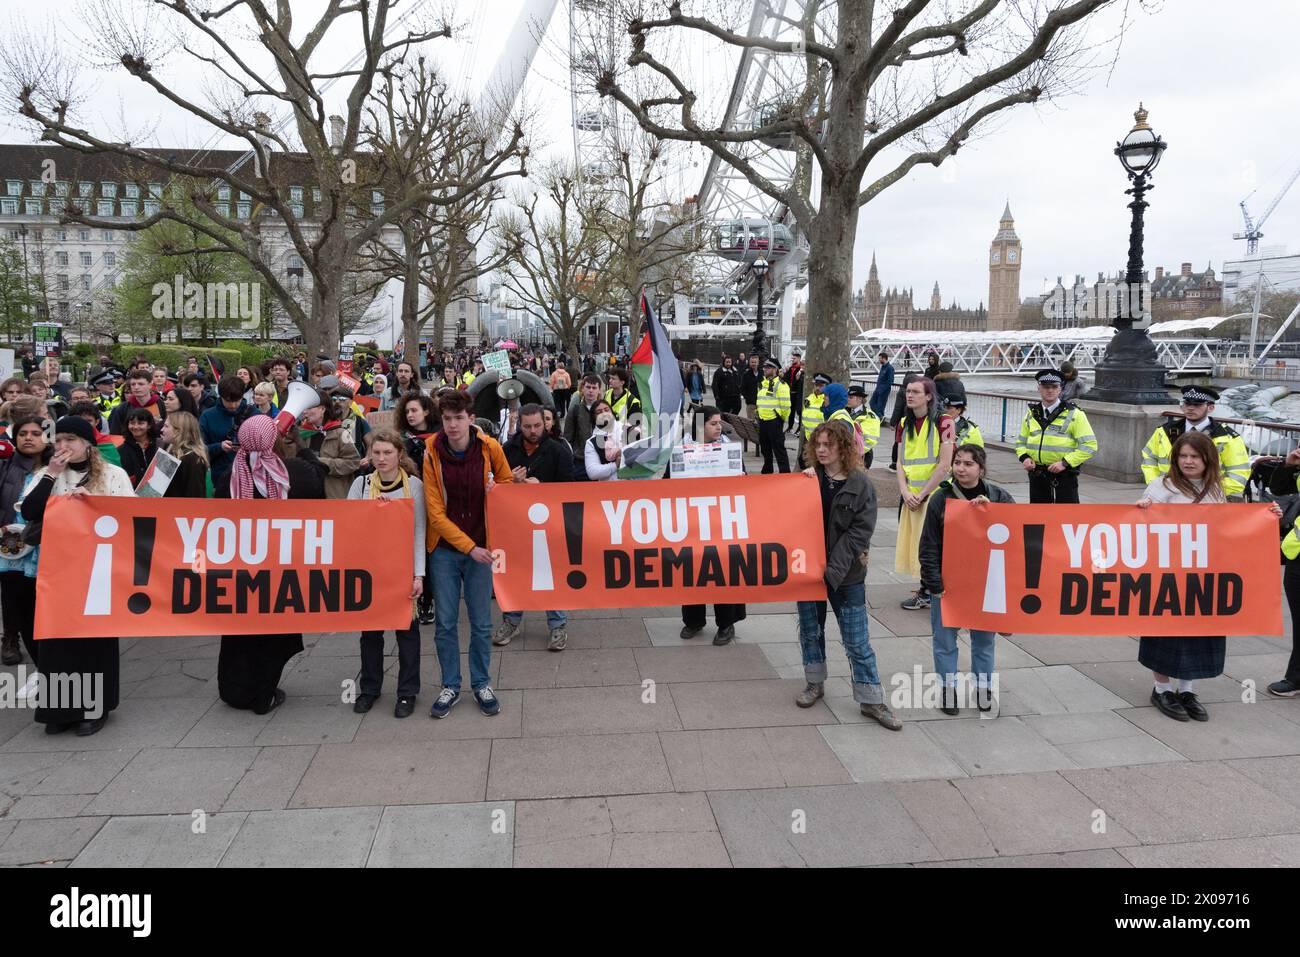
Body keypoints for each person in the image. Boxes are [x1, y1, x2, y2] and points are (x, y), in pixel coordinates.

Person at [1136, 431, 1267, 722]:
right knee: (1165, 633)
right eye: (1183, 456)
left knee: (1197, 631)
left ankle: (1187, 690)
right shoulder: (1161, 486)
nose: (1188, 461)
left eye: (1194, 456)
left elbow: (1228, 529)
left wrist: (1269, 515)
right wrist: (1142, 509)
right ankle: (1162, 689)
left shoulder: (1216, 490)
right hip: (1168, 575)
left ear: (1208, 460)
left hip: (1203, 576)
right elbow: (1139, 530)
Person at [19, 416, 135, 735]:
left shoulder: (113, 475)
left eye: (70, 439)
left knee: (93, 641)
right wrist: (52, 476)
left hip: (97, 571)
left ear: (87, 443)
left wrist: (93, 507)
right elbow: (29, 511)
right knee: (57, 641)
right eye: (58, 440)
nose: (62, 446)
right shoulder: (49, 473)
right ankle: (61, 708)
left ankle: (94, 707)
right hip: (58, 571)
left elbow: (131, 519)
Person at [794, 420, 900, 729]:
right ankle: (814, 683)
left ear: (844, 447)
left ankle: (871, 699)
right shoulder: (808, 481)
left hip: (846, 575)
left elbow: (859, 534)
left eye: (829, 444)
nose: (822, 450)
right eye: (818, 445)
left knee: (857, 640)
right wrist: (800, 485)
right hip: (809, 572)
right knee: (810, 631)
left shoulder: (861, 484)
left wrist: (832, 570)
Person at [423, 389, 512, 719]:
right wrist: (469, 548)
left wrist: (498, 489)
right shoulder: (431, 451)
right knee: (445, 623)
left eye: (459, 418)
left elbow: (505, 484)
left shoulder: (489, 447)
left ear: (471, 419)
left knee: (481, 623)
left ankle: (481, 682)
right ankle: (450, 684)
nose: (453, 425)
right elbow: (435, 513)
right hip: (447, 551)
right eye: (447, 419)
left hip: (483, 548)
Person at [217, 416, 313, 716]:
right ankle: (263, 692)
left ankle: (237, 689)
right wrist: (302, 447)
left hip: (241, 574)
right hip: (282, 573)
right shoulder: (295, 473)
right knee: (272, 635)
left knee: (241, 635)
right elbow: (317, 483)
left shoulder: (229, 480)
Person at [918, 444, 1015, 714]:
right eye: (958, 462)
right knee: (945, 641)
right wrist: (933, 583)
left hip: (985, 585)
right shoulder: (941, 498)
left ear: (980, 469)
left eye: (968, 464)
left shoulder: (999, 496)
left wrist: (992, 511)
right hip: (949, 585)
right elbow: (929, 544)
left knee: (984, 642)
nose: (961, 468)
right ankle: (948, 690)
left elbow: (1015, 534)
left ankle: (983, 689)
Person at [348, 430, 426, 718]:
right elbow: (349, 526)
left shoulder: (413, 486)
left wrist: (419, 575)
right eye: (376, 453)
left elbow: (419, 530)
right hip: (370, 571)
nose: (381, 458)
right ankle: (370, 689)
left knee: (407, 634)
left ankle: (407, 692)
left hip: (402, 570)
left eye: (387, 453)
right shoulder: (361, 484)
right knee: (370, 634)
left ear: (399, 455)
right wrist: (373, 512)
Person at [495, 403, 573, 652]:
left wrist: (542, 488)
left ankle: (558, 625)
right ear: (520, 426)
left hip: (550, 525)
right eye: (527, 426)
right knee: (518, 573)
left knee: (552, 574)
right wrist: (510, 482)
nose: (533, 430)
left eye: (537, 425)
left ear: (545, 423)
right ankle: (512, 621)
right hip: (517, 525)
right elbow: (495, 487)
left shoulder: (558, 451)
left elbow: (570, 489)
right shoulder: (507, 450)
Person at [678, 407, 747, 645]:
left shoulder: (728, 448)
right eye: (713, 423)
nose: (719, 427)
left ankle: (726, 624)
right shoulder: (681, 449)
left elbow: (743, 480)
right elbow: (669, 485)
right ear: (699, 426)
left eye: (720, 423)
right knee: (693, 570)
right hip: (692, 522)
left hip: (722, 521)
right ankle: (694, 620)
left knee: (723, 572)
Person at [897, 377, 956, 611]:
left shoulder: (945, 421)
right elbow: (900, 462)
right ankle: (927, 588)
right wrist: (905, 492)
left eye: (915, 392)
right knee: (918, 543)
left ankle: (931, 590)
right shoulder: (904, 422)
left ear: (929, 396)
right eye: (907, 391)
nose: (909, 395)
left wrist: (921, 494)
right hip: (912, 494)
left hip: (935, 494)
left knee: (932, 544)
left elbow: (945, 464)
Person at [0, 414, 50, 665]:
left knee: (40, 603)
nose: (28, 438)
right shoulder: (6, 466)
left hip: (45, 547)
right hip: (10, 546)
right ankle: (11, 637)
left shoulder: (57, 468)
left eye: (35, 433)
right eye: (22, 434)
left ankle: (51, 656)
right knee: (13, 598)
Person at [1141, 385, 1249, 500]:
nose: (1190, 408)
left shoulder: (1227, 437)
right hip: (1168, 495)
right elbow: (1149, 460)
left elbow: (1238, 475)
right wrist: (1158, 486)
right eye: (1187, 404)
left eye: (1197, 405)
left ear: (1210, 408)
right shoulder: (1164, 431)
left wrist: (1207, 491)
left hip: (1208, 498)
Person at [1016, 368, 1099, 504]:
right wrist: (1024, 458)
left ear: (1060, 389)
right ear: (1039, 388)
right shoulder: (1031, 414)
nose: (1050, 390)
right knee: (1038, 519)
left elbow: (1090, 445)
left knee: (1066, 519)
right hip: (1037, 475)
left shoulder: (1075, 414)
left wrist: (1065, 463)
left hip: (1064, 476)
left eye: (1054, 387)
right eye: (1045, 387)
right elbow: (1021, 443)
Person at [199, 374, 254, 497]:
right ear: (221, 396)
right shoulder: (208, 416)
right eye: (228, 401)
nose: (233, 405)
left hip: (251, 478)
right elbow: (199, 449)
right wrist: (219, 447)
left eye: (237, 400)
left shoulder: (253, 414)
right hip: (219, 479)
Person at [564, 373, 604, 481]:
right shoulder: (575, 410)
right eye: (588, 387)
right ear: (583, 388)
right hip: (580, 461)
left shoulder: (605, 410)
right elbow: (567, 438)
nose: (591, 391)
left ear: (599, 390)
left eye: (594, 388)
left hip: (601, 461)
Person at [159, 411, 210, 498]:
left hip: (180, 510)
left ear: (178, 431)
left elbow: (194, 494)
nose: (162, 429)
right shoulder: (171, 450)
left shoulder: (192, 458)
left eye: (166, 426)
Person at [756, 357, 791, 474]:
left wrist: (781, 419)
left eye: (768, 367)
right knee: (765, 450)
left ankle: (785, 474)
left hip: (774, 422)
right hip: (763, 421)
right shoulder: (763, 384)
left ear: (775, 369)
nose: (764, 369)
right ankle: (767, 471)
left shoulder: (781, 385)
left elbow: (786, 406)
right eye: (764, 367)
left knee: (779, 451)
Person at [108, 369, 162, 434]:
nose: (136, 387)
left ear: (150, 385)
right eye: (133, 384)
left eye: (140, 384)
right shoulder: (122, 409)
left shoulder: (160, 403)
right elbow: (115, 434)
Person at [117, 407, 160, 488]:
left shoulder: (160, 445)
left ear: (149, 425)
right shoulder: (121, 450)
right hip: (133, 495)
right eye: (132, 423)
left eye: (140, 423)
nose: (136, 427)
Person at [584, 400, 623, 482]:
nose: (604, 413)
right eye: (599, 412)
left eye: (606, 409)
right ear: (593, 417)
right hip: (608, 490)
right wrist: (615, 465)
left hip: (633, 485)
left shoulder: (627, 429)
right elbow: (592, 472)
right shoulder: (591, 442)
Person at [845, 384, 881, 467]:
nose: (847, 400)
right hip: (845, 455)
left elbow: (869, 440)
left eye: (850, 397)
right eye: (847, 397)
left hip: (861, 456)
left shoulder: (870, 416)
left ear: (860, 399)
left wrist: (852, 453)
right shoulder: (844, 411)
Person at [870, 352, 894, 419]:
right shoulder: (883, 367)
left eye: (880, 358)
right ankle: (880, 417)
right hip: (877, 389)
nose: (879, 360)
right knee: (871, 403)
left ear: (884, 358)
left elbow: (890, 381)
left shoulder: (890, 368)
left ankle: (880, 418)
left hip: (884, 391)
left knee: (880, 406)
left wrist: (882, 389)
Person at [785, 352, 805, 435]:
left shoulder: (800, 369)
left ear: (799, 359)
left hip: (798, 393)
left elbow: (800, 382)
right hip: (790, 393)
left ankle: (799, 428)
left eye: (794, 358)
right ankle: (790, 427)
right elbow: (786, 379)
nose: (792, 360)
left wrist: (800, 373)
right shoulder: (791, 368)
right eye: (792, 358)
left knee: (799, 411)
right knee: (791, 411)